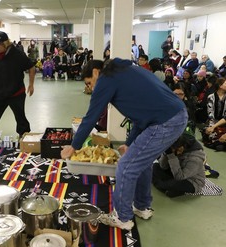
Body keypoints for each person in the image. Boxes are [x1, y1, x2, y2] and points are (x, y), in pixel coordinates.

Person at [61, 59, 188, 230]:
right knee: (142, 162)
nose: (90, 88)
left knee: (126, 166)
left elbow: (92, 116)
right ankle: (142, 207)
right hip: (175, 115)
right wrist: (129, 142)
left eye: (89, 83)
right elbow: (141, 114)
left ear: (96, 72)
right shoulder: (126, 71)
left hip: (165, 122)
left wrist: (74, 146)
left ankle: (122, 217)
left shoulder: (106, 79)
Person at [152, 132, 205, 197]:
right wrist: (166, 153)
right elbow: (163, 166)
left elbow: (179, 177)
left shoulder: (195, 159)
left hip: (191, 180)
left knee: (173, 184)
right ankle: (165, 187)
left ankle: (161, 184)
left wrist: (171, 156)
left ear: (182, 147)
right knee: (155, 166)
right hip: (175, 172)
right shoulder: (174, 148)